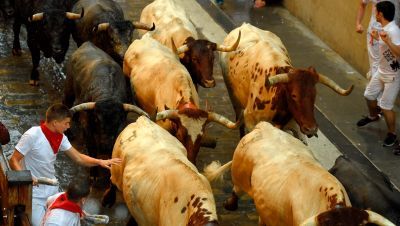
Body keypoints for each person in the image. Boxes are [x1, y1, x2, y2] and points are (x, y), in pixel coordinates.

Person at [8, 103, 121, 226]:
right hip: (34, 193)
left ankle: (82, 216)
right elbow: (13, 160)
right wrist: (27, 178)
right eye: (66, 123)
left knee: (70, 212)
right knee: (41, 223)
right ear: (55, 122)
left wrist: (99, 162)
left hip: (51, 187)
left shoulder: (61, 137)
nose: (68, 127)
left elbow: (78, 158)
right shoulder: (32, 135)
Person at [356, 1, 400, 147]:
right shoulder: (384, 28)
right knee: (368, 95)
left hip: (392, 76)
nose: (375, 13)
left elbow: (399, 52)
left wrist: (387, 41)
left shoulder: (393, 31)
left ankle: (392, 134)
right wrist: (377, 38)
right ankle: (373, 116)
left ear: (380, 14)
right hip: (381, 72)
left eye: (376, 11)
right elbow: (385, 44)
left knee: (386, 106)